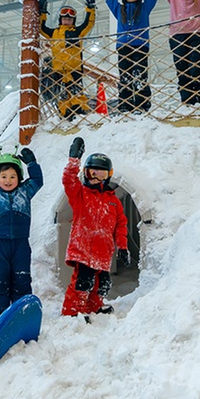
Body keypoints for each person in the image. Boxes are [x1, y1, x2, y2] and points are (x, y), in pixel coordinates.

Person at [0, 141, 44, 324]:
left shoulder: (25, 192)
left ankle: (21, 309)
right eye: (4, 176)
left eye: (13, 176)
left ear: (19, 178)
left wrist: (32, 163)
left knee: (22, 276)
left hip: (20, 243)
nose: (8, 180)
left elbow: (37, 181)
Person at [61, 136, 131, 318]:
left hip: (103, 251)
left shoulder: (113, 201)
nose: (96, 178)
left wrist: (122, 246)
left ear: (108, 176)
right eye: (92, 173)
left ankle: (93, 308)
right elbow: (68, 180)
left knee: (102, 284)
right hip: (83, 249)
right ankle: (73, 312)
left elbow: (120, 224)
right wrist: (73, 161)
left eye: (101, 174)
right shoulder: (80, 194)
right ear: (85, 173)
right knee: (83, 282)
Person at [98, 0, 160, 113]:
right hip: (124, 47)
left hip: (140, 45)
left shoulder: (144, 8)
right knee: (125, 76)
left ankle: (141, 104)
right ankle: (125, 104)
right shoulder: (119, 10)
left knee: (139, 75)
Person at [39, 0, 96, 119]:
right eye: (65, 19)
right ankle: (65, 115)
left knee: (76, 93)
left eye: (69, 20)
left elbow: (88, 23)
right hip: (58, 70)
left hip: (74, 69)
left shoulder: (77, 32)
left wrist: (90, 7)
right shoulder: (53, 33)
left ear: (73, 21)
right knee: (62, 95)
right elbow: (41, 28)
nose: (67, 21)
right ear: (60, 20)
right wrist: (42, 12)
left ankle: (79, 114)